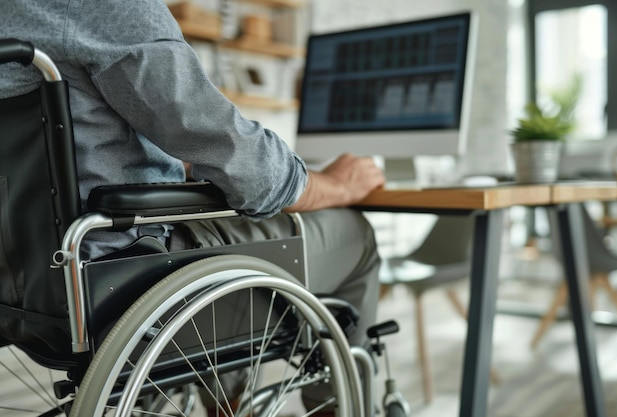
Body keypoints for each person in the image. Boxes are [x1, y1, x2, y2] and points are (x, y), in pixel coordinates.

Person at [0, 0, 385, 414]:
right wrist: (333, 184)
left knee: (209, 244)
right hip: (117, 278)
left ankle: (230, 403)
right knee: (354, 234)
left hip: (24, 286)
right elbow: (248, 169)